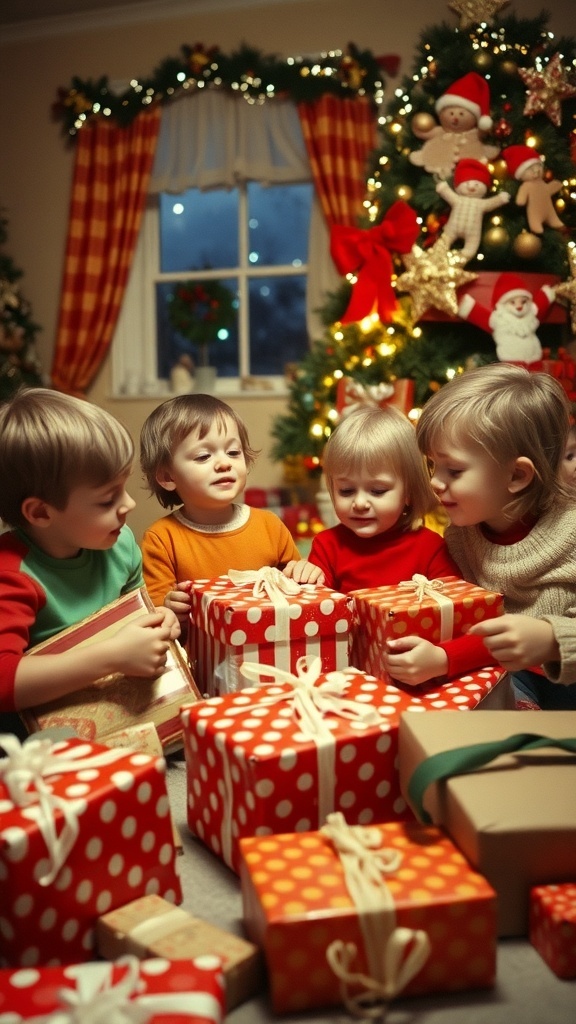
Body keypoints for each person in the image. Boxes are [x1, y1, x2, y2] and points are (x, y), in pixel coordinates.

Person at [385, 363, 576, 709]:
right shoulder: (461, 536)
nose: (435, 482)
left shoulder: (571, 534)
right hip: (506, 675)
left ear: (517, 476)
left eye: (454, 470)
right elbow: (473, 624)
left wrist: (551, 639)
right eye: (432, 466)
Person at [0, 388, 179, 720]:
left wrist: (159, 621)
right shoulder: (12, 574)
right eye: (107, 500)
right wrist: (112, 657)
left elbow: (137, 613)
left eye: (123, 488)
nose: (129, 505)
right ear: (40, 513)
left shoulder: (121, 544)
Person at [140, 394, 323, 634]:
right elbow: (155, 615)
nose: (224, 464)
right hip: (200, 656)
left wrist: (306, 571)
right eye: (204, 456)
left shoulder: (269, 525)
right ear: (167, 477)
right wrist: (169, 607)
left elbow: (297, 589)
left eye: (233, 452)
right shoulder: (161, 538)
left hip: (270, 645)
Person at [308, 404, 460, 592]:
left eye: (378, 491)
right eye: (346, 491)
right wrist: (304, 577)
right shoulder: (327, 546)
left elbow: (455, 605)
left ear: (408, 493)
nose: (360, 503)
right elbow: (315, 609)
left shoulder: (430, 547)